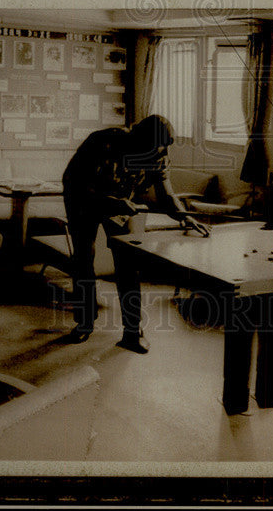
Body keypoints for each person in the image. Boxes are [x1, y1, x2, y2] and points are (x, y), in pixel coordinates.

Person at [62, 114, 207, 354]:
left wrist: (184, 215)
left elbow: (166, 193)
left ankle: (132, 331)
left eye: (160, 150)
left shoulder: (159, 152)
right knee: (84, 260)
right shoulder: (102, 142)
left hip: (120, 205)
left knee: (128, 263)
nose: (156, 154)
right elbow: (77, 186)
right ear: (137, 137)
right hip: (82, 200)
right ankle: (85, 322)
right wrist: (112, 202)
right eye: (151, 149)